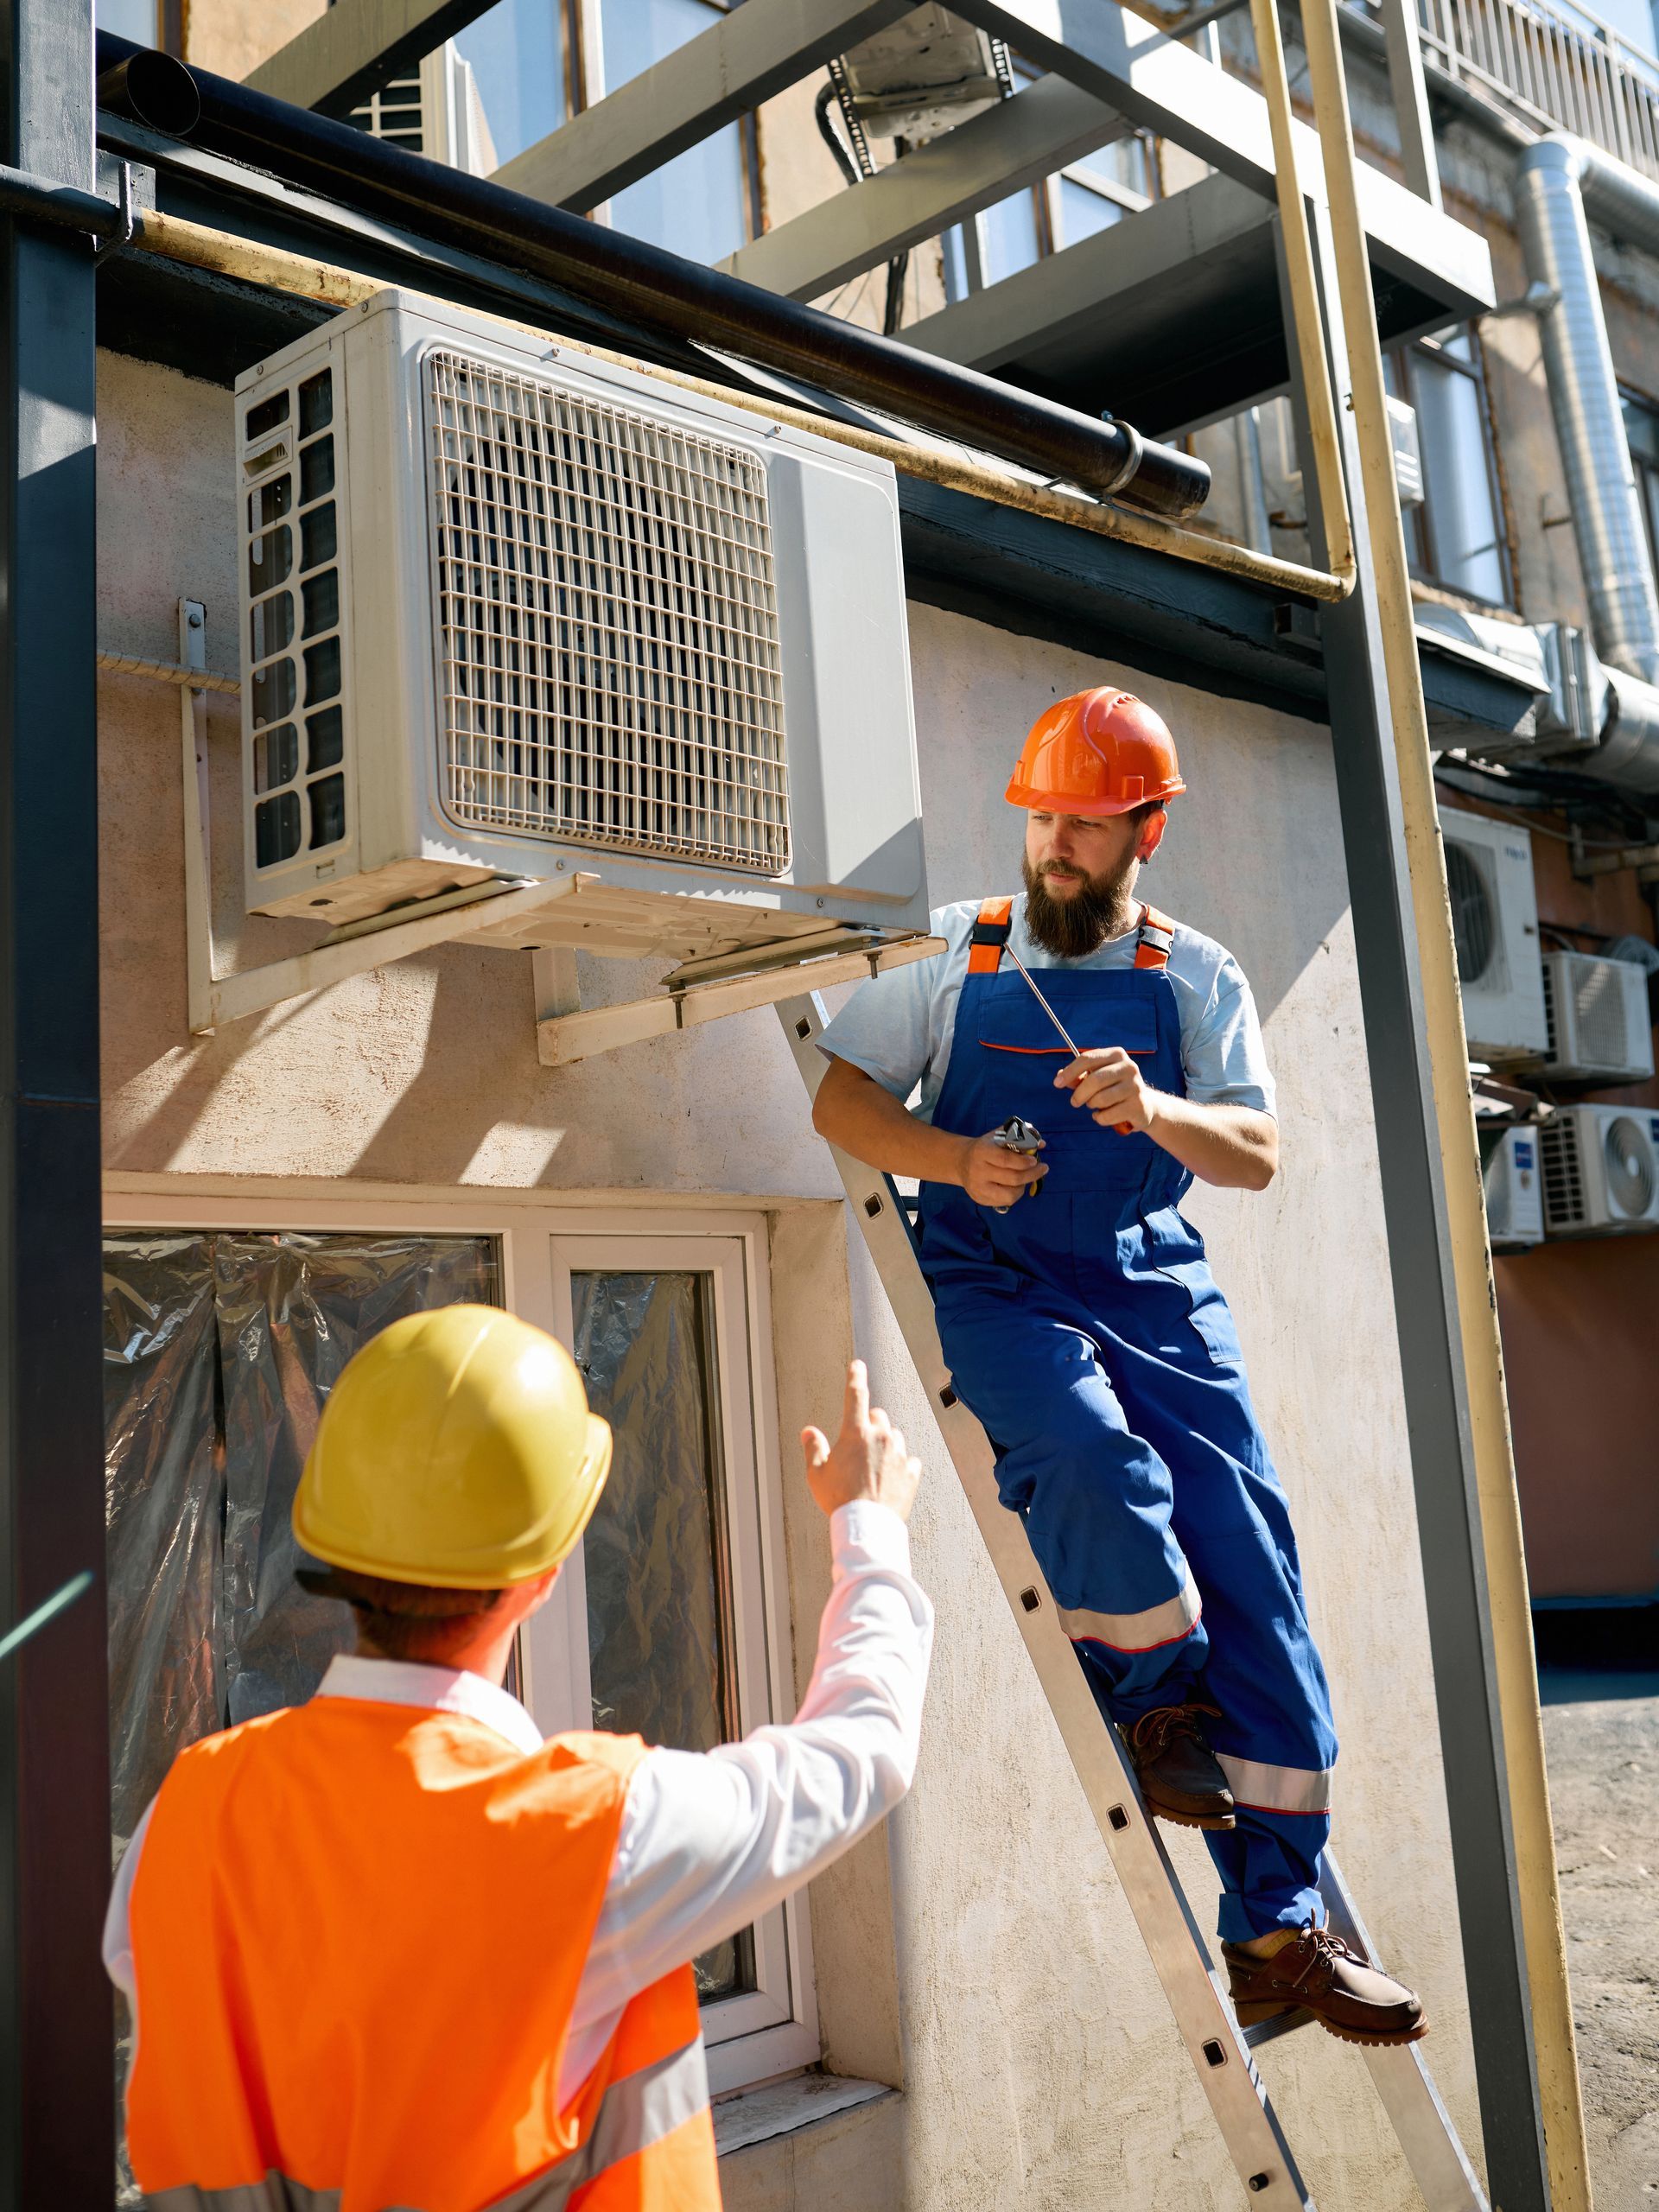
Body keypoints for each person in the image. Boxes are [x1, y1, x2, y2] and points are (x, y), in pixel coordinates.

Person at [811, 685, 1425, 2046]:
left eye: (1089, 826)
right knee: (1095, 1464)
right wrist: (954, 1160)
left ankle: (1276, 1932)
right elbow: (840, 1098)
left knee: (1257, 1568)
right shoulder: (956, 956)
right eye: (1045, 819)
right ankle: (1158, 1717)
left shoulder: (1195, 974)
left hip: (1153, 1282)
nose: (1058, 847)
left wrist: (1154, 1108)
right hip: (996, 1277)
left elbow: (1257, 1157)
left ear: (1147, 829)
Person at [103, 1306, 931, 2209]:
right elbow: (862, 1751)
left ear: (333, 1542)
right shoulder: (592, 1836)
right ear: (542, 1571)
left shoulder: (188, 1808)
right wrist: (867, 1523)